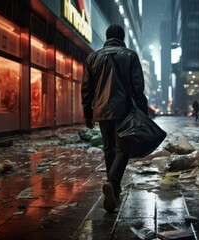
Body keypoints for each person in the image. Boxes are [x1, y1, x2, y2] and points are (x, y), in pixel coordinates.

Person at [81, 25, 148, 213]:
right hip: (124, 109)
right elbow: (137, 86)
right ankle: (112, 182)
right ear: (123, 37)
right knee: (124, 148)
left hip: (101, 110)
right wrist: (142, 109)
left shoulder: (93, 57)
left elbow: (86, 88)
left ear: (107, 36)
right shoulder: (131, 55)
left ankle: (114, 189)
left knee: (109, 148)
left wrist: (88, 112)